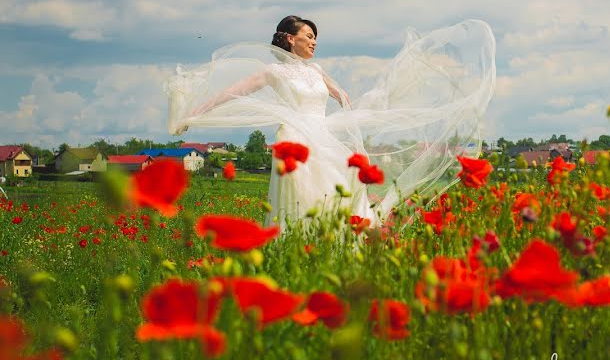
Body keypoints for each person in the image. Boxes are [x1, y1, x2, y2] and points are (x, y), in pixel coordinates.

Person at [164, 16, 496, 230]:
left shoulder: (316, 71)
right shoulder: (272, 72)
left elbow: (343, 97)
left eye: (315, 37)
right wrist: (195, 114)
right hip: (295, 139)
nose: (314, 41)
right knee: (303, 196)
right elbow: (231, 93)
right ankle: (298, 242)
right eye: (308, 35)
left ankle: (336, 241)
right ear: (289, 38)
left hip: (322, 135)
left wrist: (361, 121)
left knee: (343, 183)